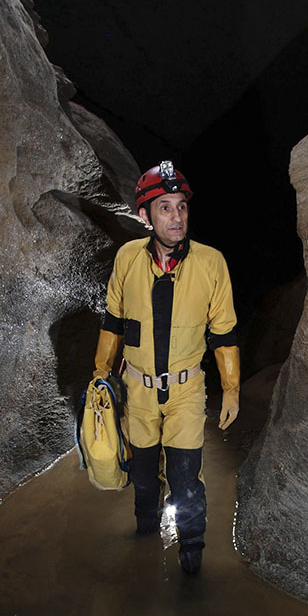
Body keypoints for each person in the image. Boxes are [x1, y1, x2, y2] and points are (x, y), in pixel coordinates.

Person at [91, 161, 239, 575]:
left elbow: (224, 333)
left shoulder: (211, 263)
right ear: (145, 216)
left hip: (185, 390)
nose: (177, 217)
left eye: (182, 207)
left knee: (186, 479)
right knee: (142, 476)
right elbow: (113, 321)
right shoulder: (127, 258)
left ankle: (191, 561)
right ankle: (145, 537)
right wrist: (101, 373)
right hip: (137, 389)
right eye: (165, 208)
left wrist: (231, 389)